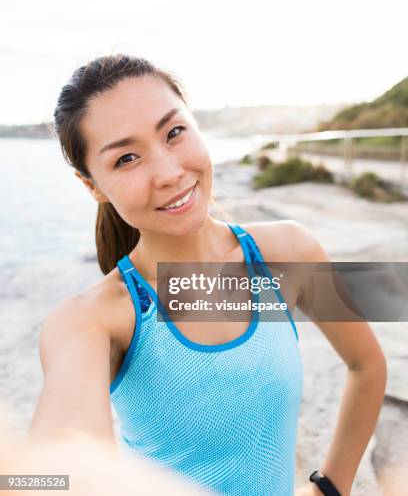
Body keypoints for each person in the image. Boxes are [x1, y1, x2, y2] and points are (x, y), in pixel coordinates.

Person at [28, 54, 387, 496]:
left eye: (174, 133)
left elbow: (367, 365)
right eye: (126, 159)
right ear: (94, 186)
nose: (169, 172)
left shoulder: (287, 252)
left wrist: (332, 487)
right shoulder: (94, 319)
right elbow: (49, 470)